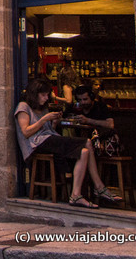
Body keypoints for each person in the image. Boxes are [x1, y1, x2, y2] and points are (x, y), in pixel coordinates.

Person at [14, 79, 121, 208]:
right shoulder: (23, 107)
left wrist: (54, 121)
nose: (46, 98)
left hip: (50, 140)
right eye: (43, 95)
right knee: (86, 142)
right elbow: (26, 132)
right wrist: (44, 119)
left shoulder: (43, 108)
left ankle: (76, 194)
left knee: (85, 151)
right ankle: (99, 188)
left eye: (47, 95)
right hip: (36, 144)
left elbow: (50, 131)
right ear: (34, 94)